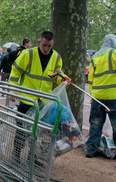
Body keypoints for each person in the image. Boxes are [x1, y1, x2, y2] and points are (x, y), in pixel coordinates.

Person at [9, 31, 70, 163]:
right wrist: (12, 90)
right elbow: (15, 71)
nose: (47, 49)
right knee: (21, 130)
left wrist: (63, 79)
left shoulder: (56, 57)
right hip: (27, 100)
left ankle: (33, 157)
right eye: (44, 45)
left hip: (43, 101)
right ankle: (16, 156)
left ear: (53, 44)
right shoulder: (28, 54)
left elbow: (57, 74)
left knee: (38, 132)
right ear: (39, 43)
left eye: (49, 46)